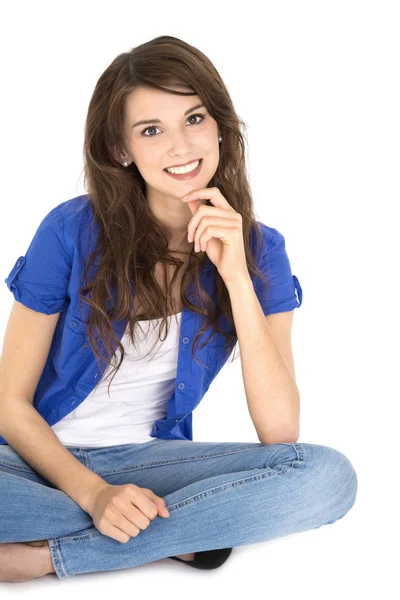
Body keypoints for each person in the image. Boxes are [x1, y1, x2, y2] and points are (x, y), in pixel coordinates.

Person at [0, 35, 358, 583]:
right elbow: (10, 403)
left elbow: (281, 432)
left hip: (150, 465)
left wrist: (236, 276)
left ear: (218, 125)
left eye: (194, 118)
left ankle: (50, 553)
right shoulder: (70, 231)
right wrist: (95, 495)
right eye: (151, 130)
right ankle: (182, 531)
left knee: (328, 477)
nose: (180, 146)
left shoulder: (262, 252)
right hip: (30, 462)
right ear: (122, 150)